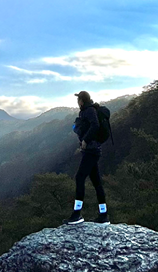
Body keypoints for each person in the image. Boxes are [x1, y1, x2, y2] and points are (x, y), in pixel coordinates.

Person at [64, 90, 109, 225]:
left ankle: (77, 214)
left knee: (79, 178)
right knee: (97, 183)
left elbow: (95, 124)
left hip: (91, 150)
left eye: (78, 100)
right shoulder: (89, 110)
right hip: (93, 150)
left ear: (82, 100)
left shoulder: (89, 111)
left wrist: (85, 140)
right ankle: (103, 215)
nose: (77, 102)